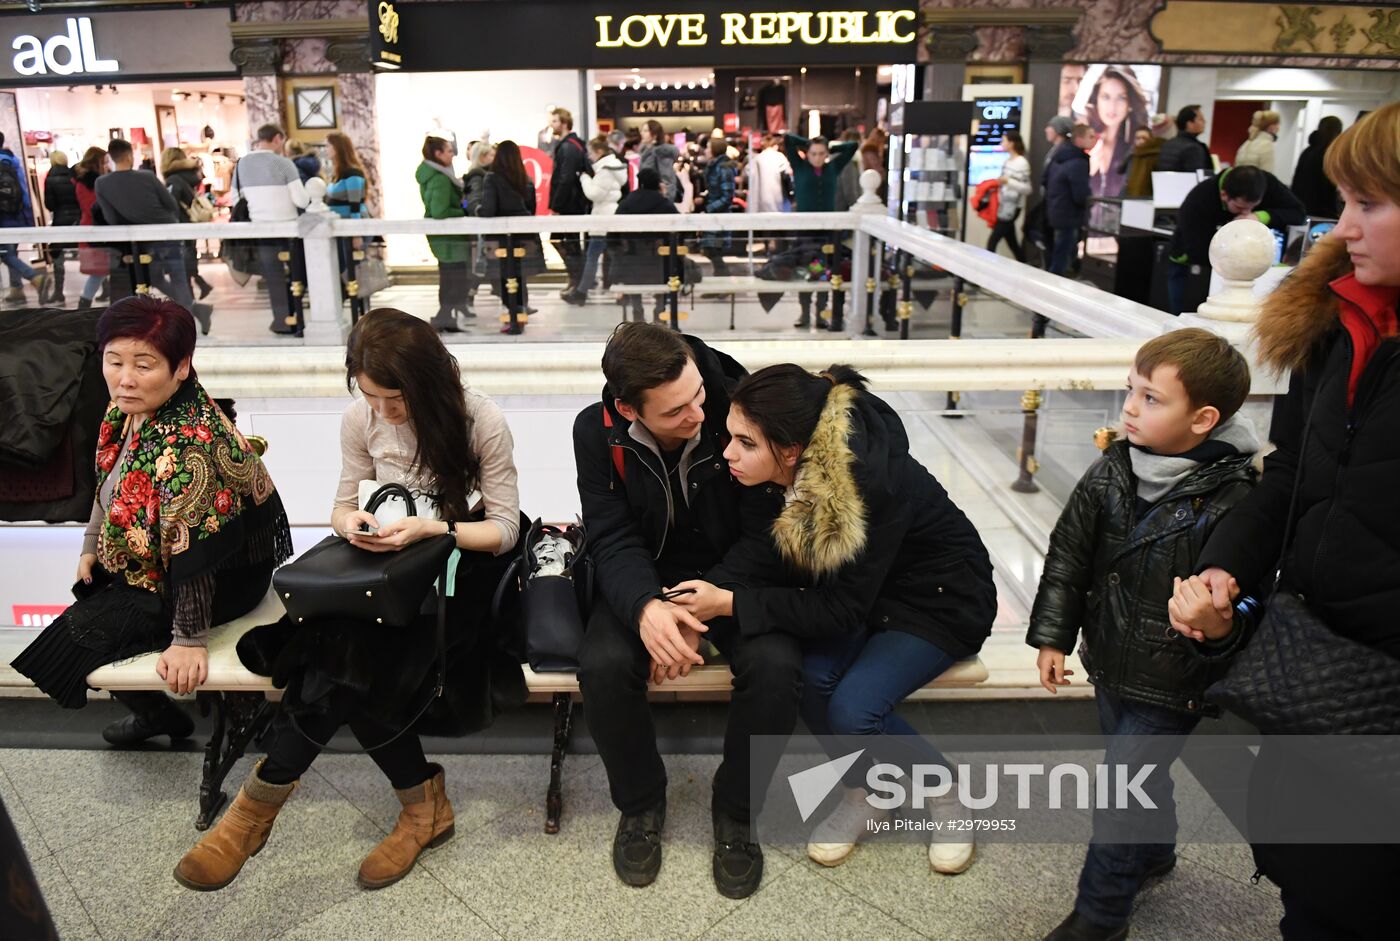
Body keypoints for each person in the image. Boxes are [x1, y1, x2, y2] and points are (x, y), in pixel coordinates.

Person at [175, 307, 524, 892]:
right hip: (381, 574)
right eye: (371, 397)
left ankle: (252, 815)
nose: (383, 412)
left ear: (428, 381)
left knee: (344, 672)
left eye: (396, 399)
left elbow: (506, 529)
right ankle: (420, 809)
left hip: (458, 574)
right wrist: (353, 522)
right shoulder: (360, 418)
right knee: (344, 665)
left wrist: (433, 531)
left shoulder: (479, 419)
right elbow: (340, 506)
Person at [1170, 101, 1400, 941]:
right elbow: (1293, 472)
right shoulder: (1338, 323)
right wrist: (1227, 562)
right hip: (1322, 668)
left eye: (1370, 203)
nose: (1343, 227)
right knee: (1313, 886)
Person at [672, 363, 997, 875]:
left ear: (791, 451)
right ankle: (868, 790)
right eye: (729, 436)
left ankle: (948, 793)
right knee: (813, 676)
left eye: (744, 443)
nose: (728, 452)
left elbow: (840, 609)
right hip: (869, 594)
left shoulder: (863, 487)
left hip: (938, 602)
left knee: (853, 711)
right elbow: (764, 550)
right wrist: (695, 607)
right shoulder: (787, 470)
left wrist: (729, 604)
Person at [1029, 329, 1258, 941]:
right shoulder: (1111, 471)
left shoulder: (1237, 497)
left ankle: (1101, 917)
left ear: (1203, 419)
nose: (1130, 407)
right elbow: (1067, 560)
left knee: (1121, 783)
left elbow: (1253, 597)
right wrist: (1053, 637)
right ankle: (1154, 852)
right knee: (1135, 776)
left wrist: (1220, 625)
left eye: (1152, 399)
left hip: (1175, 672)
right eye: (1131, 390)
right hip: (1111, 656)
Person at [574, 323, 803, 900]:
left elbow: (763, 534)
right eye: (676, 410)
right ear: (630, 407)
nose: (698, 415)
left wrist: (702, 606)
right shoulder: (596, 433)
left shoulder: (737, 407)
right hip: (643, 577)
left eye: (699, 394)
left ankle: (736, 811)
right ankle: (641, 803)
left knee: (776, 665)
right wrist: (649, 608)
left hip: (731, 574)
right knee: (601, 664)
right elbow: (610, 535)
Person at [9, 296, 292, 746]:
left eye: (144, 364)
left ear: (181, 367)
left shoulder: (188, 444)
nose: (124, 379)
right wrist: (91, 545)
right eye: (114, 361)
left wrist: (188, 640)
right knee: (87, 599)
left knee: (62, 650)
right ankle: (161, 715)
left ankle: (242, 710)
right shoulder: (125, 409)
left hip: (221, 576)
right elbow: (109, 481)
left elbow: (198, 554)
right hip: (163, 563)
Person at [96, 139, 213, 334]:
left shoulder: (102, 183)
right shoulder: (147, 177)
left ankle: (191, 317)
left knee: (156, 278)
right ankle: (194, 313)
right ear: (129, 156)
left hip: (143, 241)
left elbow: (111, 218)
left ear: (111, 158)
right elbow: (171, 204)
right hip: (168, 233)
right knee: (177, 278)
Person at [1165, 165, 1307, 315]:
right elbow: (1197, 248)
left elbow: (1298, 213)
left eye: (1253, 207)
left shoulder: (1265, 184)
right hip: (1192, 263)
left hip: (1240, 269)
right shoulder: (1199, 199)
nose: (1247, 212)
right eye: (1240, 208)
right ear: (1224, 195)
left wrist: (1260, 217)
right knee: (1186, 314)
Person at [232, 124, 310, 336]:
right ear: (277, 138)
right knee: (296, 275)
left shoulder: (241, 164)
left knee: (274, 278)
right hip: (289, 231)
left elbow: (235, 199)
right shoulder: (284, 163)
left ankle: (282, 321)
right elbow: (301, 198)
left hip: (260, 231)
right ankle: (298, 319)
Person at [782, 132, 858, 329]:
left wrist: (830, 146)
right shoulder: (799, 166)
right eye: (813, 153)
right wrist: (807, 143)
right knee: (807, 270)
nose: (817, 157)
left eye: (821, 153)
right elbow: (788, 140)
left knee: (824, 272)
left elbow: (852, 146)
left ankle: (821, 313)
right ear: (807, 153)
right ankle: (805, 313)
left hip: (827, 231)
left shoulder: (833, 167)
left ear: (826, 154)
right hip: (805, 231)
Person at [476, 140, 544, 334]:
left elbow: (488, 209)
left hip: (501, 239)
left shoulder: (492, 178)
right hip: (524, 236)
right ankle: (519, 315)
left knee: (505, 276)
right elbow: (532, 208)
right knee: (519, 276)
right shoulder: (525, 177)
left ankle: (512, 317)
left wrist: (477, 209)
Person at [417, 135, 471, 334]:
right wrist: (464, 212)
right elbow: (439, 211)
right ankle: (443, 319)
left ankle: (445, 318)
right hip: (449, 238)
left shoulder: (437, 175)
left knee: (450, 277)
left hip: (446, 238)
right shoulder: (440, 178)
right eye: (448, 150)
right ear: (437, 154)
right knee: (453, 279)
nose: (452, 154)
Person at [611, 167, 677, 322]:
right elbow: (678, 232)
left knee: (634, 276)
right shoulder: (665, 205)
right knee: (665, 271)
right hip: (660, 263)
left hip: (632, 263)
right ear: (658, 184)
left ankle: (637, 311)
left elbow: (613, 236)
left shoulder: (626, 204)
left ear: (639, 183)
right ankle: (660, 312)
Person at [570, 135, 628, 306]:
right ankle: (621, 291)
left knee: (592, 257)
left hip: (602, 219)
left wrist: (584, 178)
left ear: (599, 151)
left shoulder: (605, 171)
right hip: (610, 217)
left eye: (591, 152)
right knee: (614, 257)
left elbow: (594, 194)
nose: (589, 156)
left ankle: (581, 292)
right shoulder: (613, 169)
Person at [1084, 65, 1151, 198]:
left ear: (1130, 103)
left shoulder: (1133, 148)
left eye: (1121, 98)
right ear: (1096, 99)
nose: (1112, 106)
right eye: (1106, 97)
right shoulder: (1084, 141)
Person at [0, 130, 49, 304]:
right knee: (10, 252)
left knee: (5, 254)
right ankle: (16, 290)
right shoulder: (13, 161)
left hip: (4, 219)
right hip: (20, 215)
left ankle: (35, 277)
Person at [547, 107, 591, 300]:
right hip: (571, 203)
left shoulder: (569, 146)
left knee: (566, 241)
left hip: (569, 205)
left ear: (564, 123)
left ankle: (577, 280)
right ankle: (575, 279)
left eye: (555, 121)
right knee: (567, 241)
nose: (552, 125)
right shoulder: (572, 144)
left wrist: (556, 206)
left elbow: (565, 178)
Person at [161, 147, 214, 304]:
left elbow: (171, 204)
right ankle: (197, 287)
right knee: (189, 255)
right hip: (189, 224)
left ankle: (188, 301)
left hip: (180, 226)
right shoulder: (187, 177)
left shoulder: (173, 180)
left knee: (181, 263)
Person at [325, 131, 370, 310]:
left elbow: (355, 204)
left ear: (338, 148)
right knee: (343, 270)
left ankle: (359, 308)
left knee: (351, 270)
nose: (326, 149)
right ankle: (352, 306)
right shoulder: (339, 172)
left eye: (328, 145)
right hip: (342, 229)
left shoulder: (352, 172)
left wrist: (356, 233)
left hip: (352, 229)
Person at [1044, 124, 1094, 285]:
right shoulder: (1077, 161)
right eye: (1090, 136)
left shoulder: (1060, 156)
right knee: (1061, 259)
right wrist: (1089, 200)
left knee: (1061, 254)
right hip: (1069, 215)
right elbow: (1080, 194)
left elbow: (1044, 180)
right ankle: (1050, 300)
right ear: (1079, 138)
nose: (1094, 140)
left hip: (1057, 212)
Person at [72, 146, 110, 309]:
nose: (107, 165)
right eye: (105, 162)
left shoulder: (88, 182)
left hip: (96, 230)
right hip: (96, 232)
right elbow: (91, 207)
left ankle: (86, 304)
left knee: (102, 271)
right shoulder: (90, 183)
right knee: (99, 272)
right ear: (97, 162)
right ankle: (83, 305)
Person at [42, 150, 80, 305]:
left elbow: (49, 205)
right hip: (79, 220)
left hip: (60, 221)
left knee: (58, 256)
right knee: (90, 253)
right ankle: (104, 287)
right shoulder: (75, 177)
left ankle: (58, 292)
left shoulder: (50, 179)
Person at [987, 131, 1032, 262]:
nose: (1002, 144)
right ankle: (1025, 265)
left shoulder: (1021, 163)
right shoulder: (1008, 161)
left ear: (1011, 143)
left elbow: (1027, 188)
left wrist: (1008, 182)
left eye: (1004, 140)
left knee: (993, 240)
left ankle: (986, 271)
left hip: (1012, 207)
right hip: (1004, 205)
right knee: (1012, 242)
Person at [1290, 115, 1343, 217]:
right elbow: (1329, 187)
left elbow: (1297, 179)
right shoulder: (1331, 154)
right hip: (1322, 210)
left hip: (1302, 206)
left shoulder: (1308, 151)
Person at [701, 138, 738, 277]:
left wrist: (709, 208)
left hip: (718, 216)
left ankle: (724, 281)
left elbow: (727, 196)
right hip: (714, 213)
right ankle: (721, 282)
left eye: (708, 147)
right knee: (710, 249)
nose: (705, 150)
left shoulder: (723, 168)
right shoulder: (715, 166)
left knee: (712, 249)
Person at [1156, 105, 1212, 174]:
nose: (1205, 122)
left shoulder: (1167, 144)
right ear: (1189, 124)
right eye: (1201, 119)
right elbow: (1197, 179)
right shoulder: (1193, 148)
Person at [745, 134, 793, 215]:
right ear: (775, 145)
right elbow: (788, 174)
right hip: (776, 199)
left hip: (758, 201)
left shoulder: (756, 158)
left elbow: (747, 173)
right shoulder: (779, 157)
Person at [637, 119, 679, 203]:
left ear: (655, 134)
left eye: (646, 131)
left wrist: (666, 200)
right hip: (647, 196)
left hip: (658, 200)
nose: (642, 133)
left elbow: (667, 179)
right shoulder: (646, 151)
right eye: (642, 130)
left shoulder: (661, 153)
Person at [1234, 110, 1281, 175]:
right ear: (1271, 126)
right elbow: (1267, 176)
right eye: (1278, 124)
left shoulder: (1246, 144)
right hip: (1256, 184)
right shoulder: (1267, 145)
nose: (1279, 128)